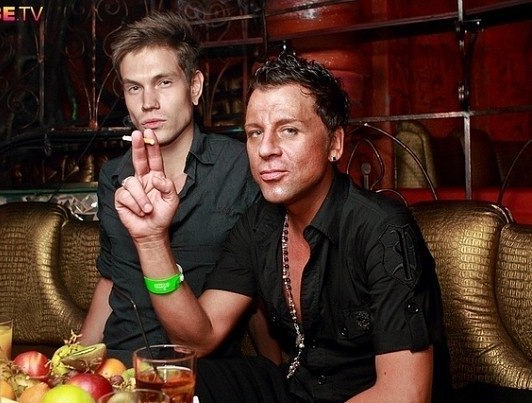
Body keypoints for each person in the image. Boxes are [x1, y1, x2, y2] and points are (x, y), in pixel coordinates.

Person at [116, 52, 449, 402]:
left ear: (335, 143)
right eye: (254, 133)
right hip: (297, 391)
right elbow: (198, 339)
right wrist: (151, 239)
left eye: (289, 130)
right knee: (173, 381)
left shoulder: (381, 229)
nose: (266, 149)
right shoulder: (259, 225)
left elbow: (405, 394)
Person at [79, 12, 262, 362]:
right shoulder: (114, 176)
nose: (148, 102)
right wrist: (77, 360)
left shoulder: (241, 168)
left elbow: (260, 293)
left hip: (197, 368)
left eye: (163, 82)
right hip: (118, 363)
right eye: (134, 87)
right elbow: (112, 278)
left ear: (194, 87)